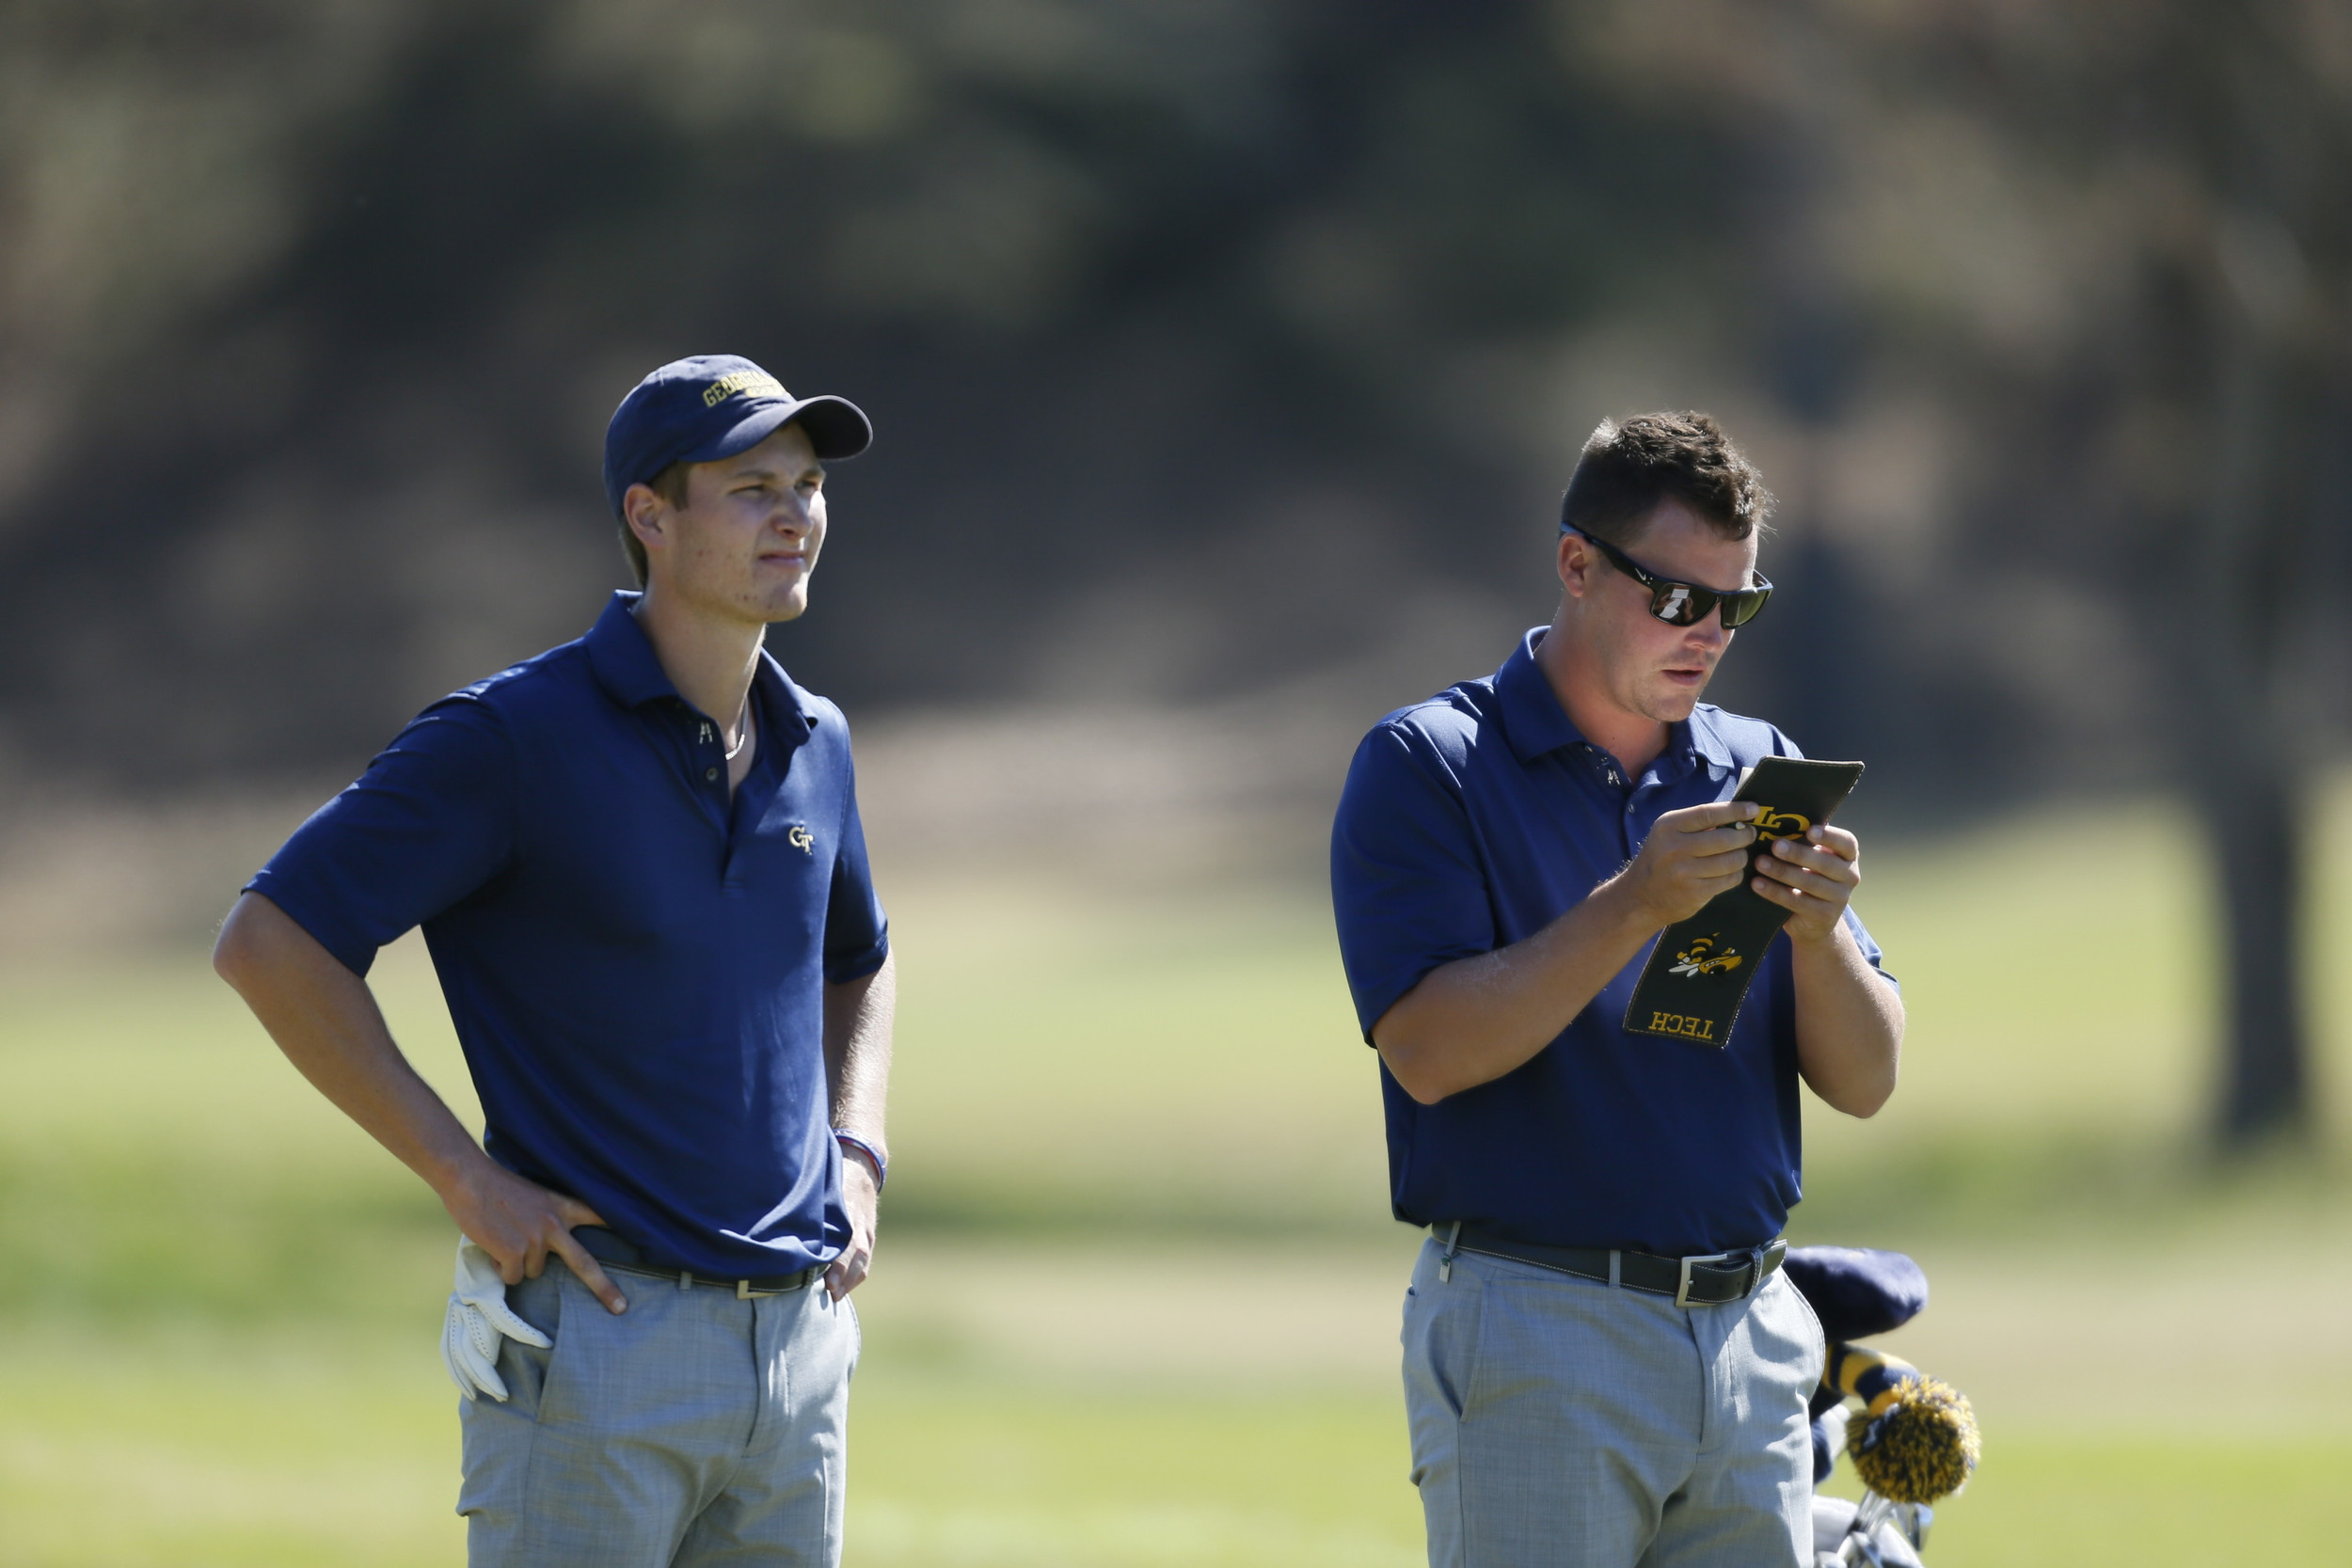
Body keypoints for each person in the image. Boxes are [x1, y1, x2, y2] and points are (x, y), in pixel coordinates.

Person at [213, 354, 896, 1567]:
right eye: (749, 487)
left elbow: (862, 961)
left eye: (806, 484)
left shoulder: (816, 739)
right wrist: (463, 1174)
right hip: (600, 1341)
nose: (795, 513)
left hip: (798, 1357)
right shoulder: (511, 737)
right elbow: (272, 942)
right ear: (650, 514)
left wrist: (857, 1148)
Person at [1328, 412, 1904, 1568]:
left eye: (1735, 606)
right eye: (1676, 597)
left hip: (1751, 1333)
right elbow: (1428, 1051)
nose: (1706, 636)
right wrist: (1632, 903)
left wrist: (1819, 935)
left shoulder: (1756, 764)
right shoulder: (1428, 762)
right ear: (1575, 564)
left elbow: (1868, 1078)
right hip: (1537, 1323)